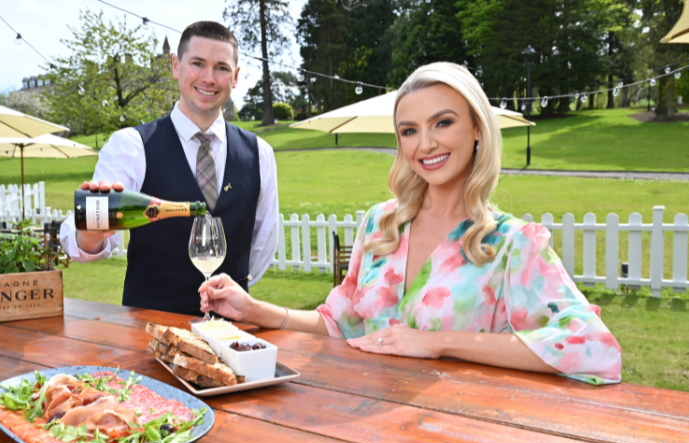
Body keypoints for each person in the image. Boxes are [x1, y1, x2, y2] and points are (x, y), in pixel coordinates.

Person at [198, 62, 621, 385]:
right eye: (409, 130)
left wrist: (436, 343)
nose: (426, 143)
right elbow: (339, 322)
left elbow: (591, 347)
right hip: (363, 422)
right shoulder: (381, 224)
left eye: (443, 122)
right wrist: (253, 309)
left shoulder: (511, 243)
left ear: (477, 128)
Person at [59, 21, 278, 316]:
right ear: (176, 66)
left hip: (232, 338)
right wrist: (94, 232)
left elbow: (262, 246)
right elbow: (82, 242)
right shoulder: (130, 146)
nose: (209, 78)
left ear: (236, 76)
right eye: (197, 63)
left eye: (221, 68)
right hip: (148, 337)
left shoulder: (260, 154)